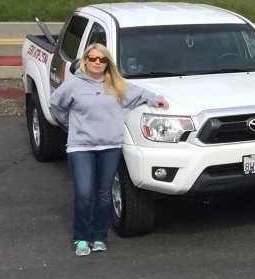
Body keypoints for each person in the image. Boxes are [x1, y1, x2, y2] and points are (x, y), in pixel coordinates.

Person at [49, 44, 168, 257]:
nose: (97, 62)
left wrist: (155, 100)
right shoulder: (72, 85)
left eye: (102, 60)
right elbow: (55, 105)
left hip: (110, 147)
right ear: (85, 60)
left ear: (108, 63)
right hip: (81, 147)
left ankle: (98, 236)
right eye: (93, 58)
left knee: (104, 195)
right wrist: (72, 125)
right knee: (84, 194)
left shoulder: (117, 84)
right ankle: (82, 238)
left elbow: (142, 93)